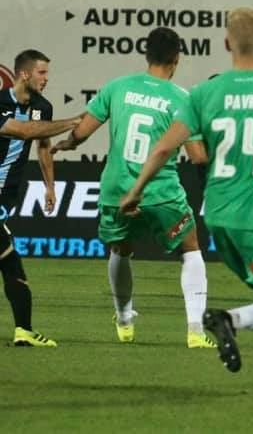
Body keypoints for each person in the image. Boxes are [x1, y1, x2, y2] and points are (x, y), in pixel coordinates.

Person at [120, 8, 253, 395]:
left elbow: (163, 148)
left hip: (219, 217)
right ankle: (229, 319)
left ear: (227, 44)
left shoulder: (204, 93)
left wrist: (136, 190)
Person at [52, 28, 215, 348]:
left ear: (146, 55)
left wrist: (67, 144)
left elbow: (82, 131)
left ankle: (124, 318)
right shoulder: (182, 99)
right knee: (190, 248)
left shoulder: (118, 87)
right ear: (177, 58)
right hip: (159, 192)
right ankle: (195, 331)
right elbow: (197, 156)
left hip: (117, 189)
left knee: (120, 250)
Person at [0, 49, 80, 346]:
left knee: (8, 261)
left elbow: (42, 144)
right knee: (10, 261)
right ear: (24, 73)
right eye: (41, 72)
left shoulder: (42, 106)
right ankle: (24, 330)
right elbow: (25, 131)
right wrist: (74, 121)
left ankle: (24, 331)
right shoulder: (0, 103)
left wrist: (50, 187)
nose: (46, 79)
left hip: (5, 199)